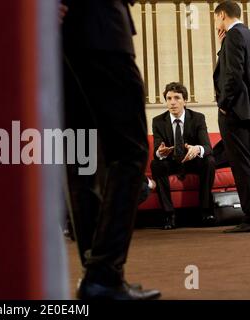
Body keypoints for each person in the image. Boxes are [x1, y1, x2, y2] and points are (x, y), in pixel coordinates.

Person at [61, 0, 161, 300]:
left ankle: (96, 276)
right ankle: (103, 274)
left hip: (64, 39)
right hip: (101, 27)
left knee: (81, 157)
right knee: (129, 153)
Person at [213, 1, 250, 233]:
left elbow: (233, 76)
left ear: (222, 14)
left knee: (242, 165)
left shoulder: (234, 36)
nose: (215, 23)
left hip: (235, 111)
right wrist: (221, 45)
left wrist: (224, 104)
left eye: (215, 18)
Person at [151, 82, 216, 230]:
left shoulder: (198, 118)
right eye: (168, 98)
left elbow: (208, 147)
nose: (172, 102)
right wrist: (160, 152)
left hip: (191, 161)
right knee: (156, 164)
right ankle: (168, 214)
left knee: (209, 161)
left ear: (185, 100)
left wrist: (197, 149)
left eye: (177, 98)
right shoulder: (158, 121)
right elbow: (157, 149)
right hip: (171, 162)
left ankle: (206, 211)